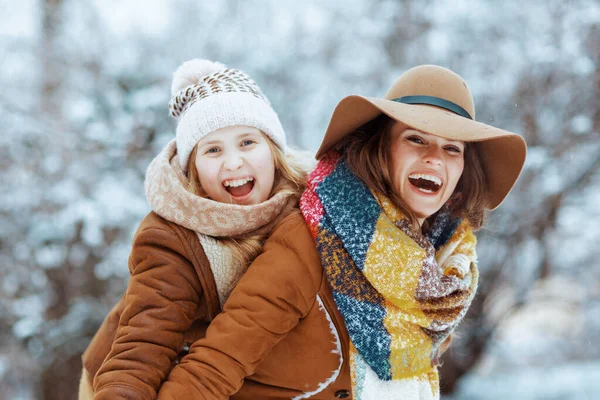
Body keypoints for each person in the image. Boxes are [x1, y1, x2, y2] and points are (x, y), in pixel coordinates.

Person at [156, 65, 527, 399]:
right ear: (381, 148)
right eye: (416, 139)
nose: (433, 157)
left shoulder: (444, 269)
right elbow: (216, 365)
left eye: (452, 148)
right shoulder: (313, 237)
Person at [77, 59, 309, 400]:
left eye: (247, 142)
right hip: (133, 377)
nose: (233, 162)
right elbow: (144, 344)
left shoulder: (305, 204)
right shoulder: (172, 236)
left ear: (274, 151)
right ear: (194, 168)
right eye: (213, 150)